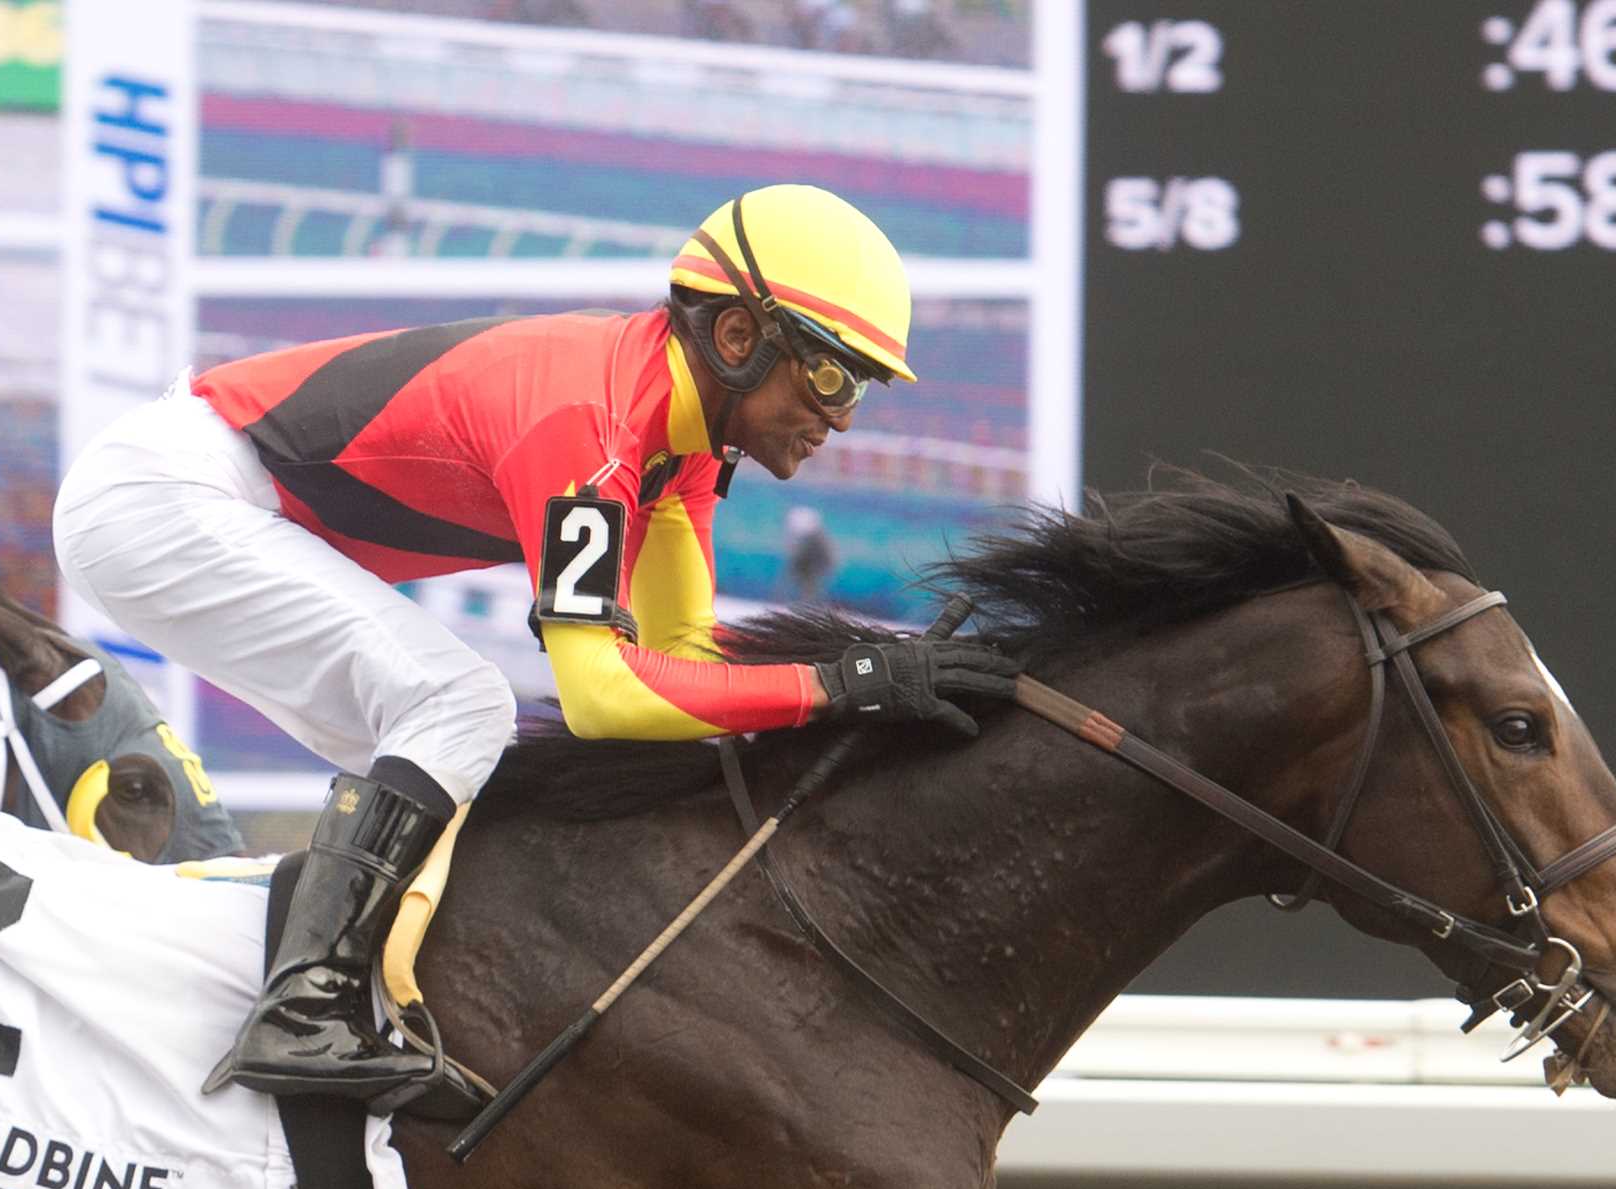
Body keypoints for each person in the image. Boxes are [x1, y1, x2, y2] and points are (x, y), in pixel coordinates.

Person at [53, 183, 1022, 1110]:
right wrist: (840, 684)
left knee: (434, 752)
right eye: (829, 373)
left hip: (190, 494)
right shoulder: (594, 430)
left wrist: (881, 687)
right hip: (165, 498)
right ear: (736, 336)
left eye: (859, 389)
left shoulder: (675, 444)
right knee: (457, 706)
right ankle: (304, 1010)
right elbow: (601, 696)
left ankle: (341, 986)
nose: (842, 414)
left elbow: (686, 663)